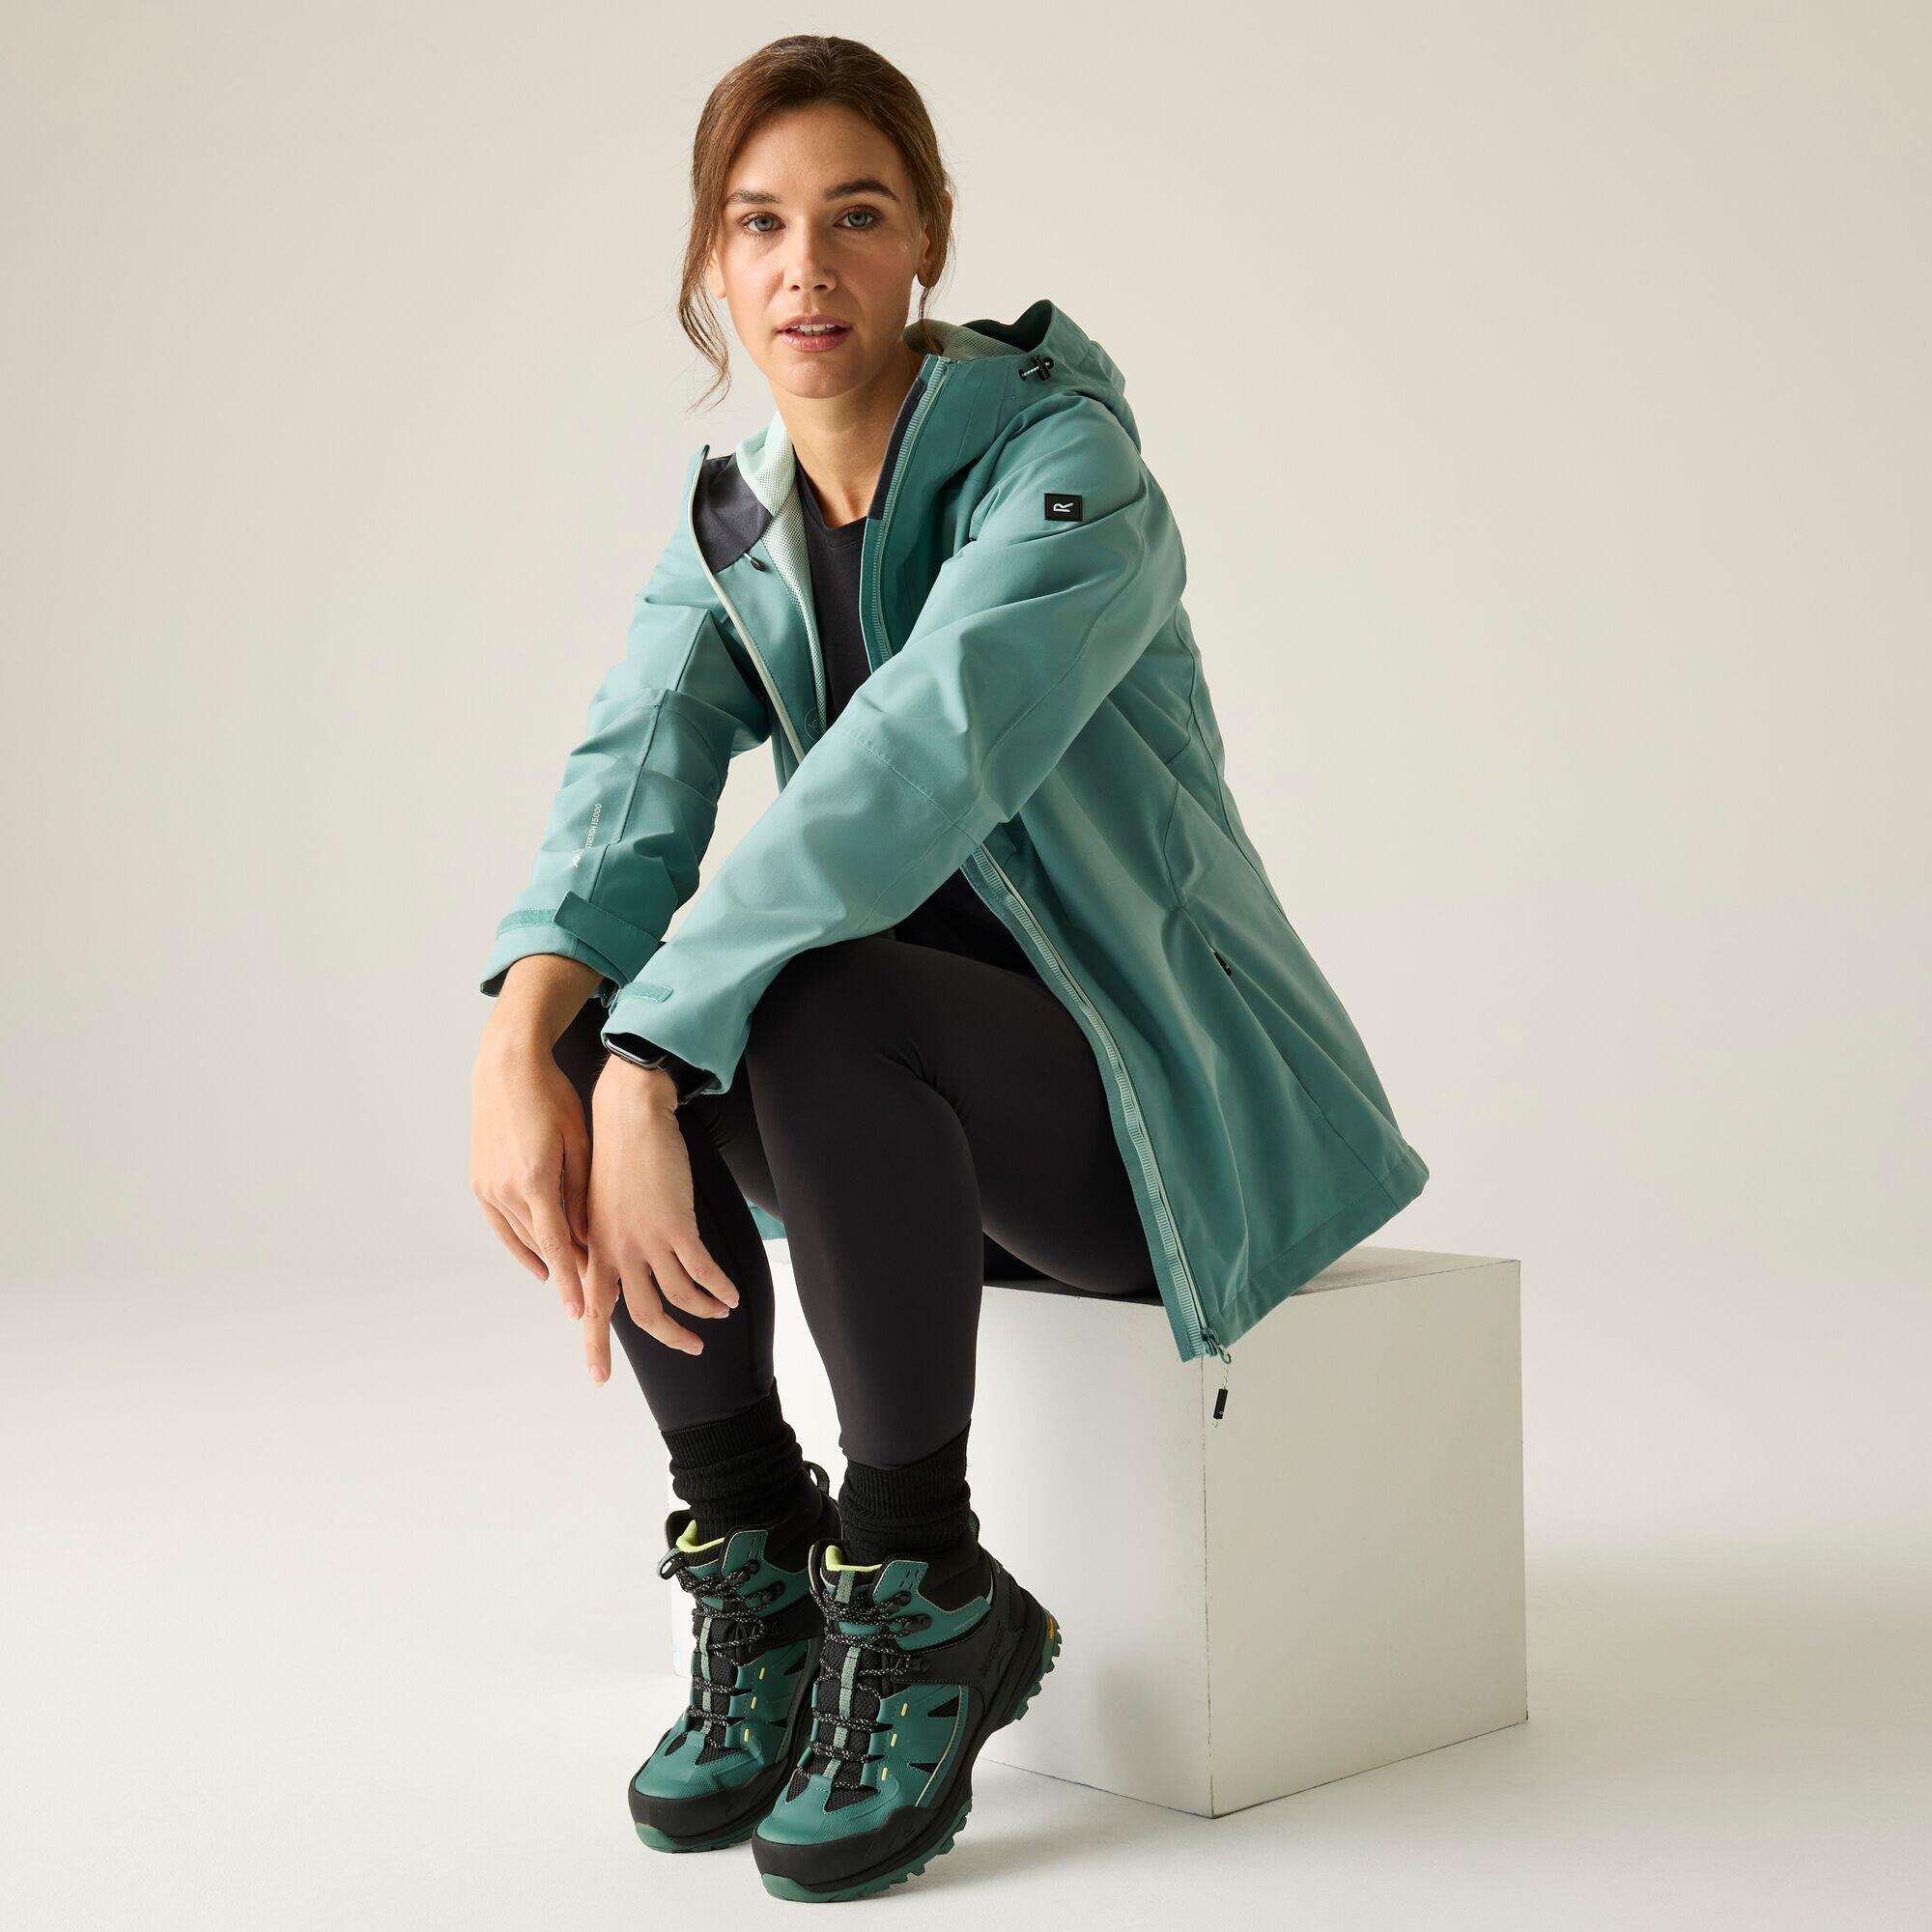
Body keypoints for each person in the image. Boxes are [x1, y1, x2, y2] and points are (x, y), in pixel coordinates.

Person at [469, 34, 1429, 1904]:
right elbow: (623, 793)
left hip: (1156, 1117)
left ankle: (920, 1585)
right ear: (711, 261)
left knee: (782, 1000)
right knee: (597, 1026)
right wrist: (532, 1041)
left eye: (855, 216)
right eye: (759, 225)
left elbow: (920, 760)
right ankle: (757, 1557)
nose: (805, 268)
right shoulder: (732, 524)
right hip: (901, 1137)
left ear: (926, 241)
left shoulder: (1066, 471)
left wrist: (654, 1055)